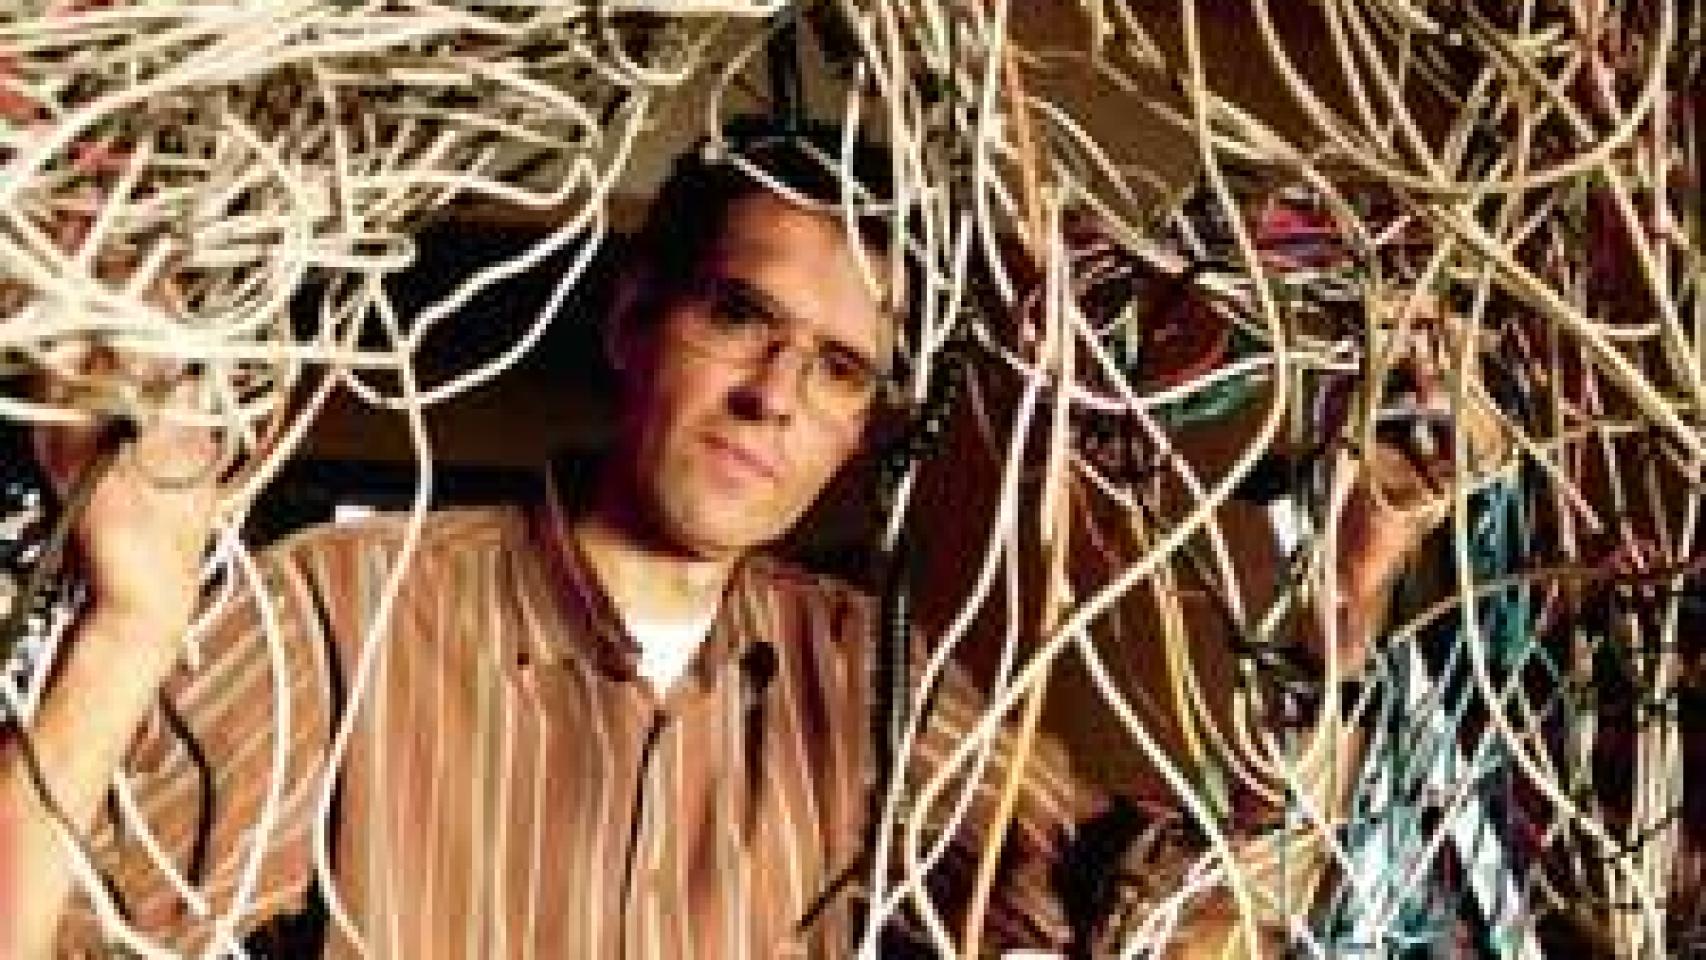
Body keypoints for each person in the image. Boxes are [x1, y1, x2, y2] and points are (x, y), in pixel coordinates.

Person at [1, 131, 1444, 959]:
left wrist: (1339, 609)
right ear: (636, 319)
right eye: (741, 317)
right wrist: (130, 621)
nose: (775, 396)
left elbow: (1169, 938)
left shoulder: (875, 677)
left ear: (864, 426)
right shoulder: (347, 607)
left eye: (840, 368)